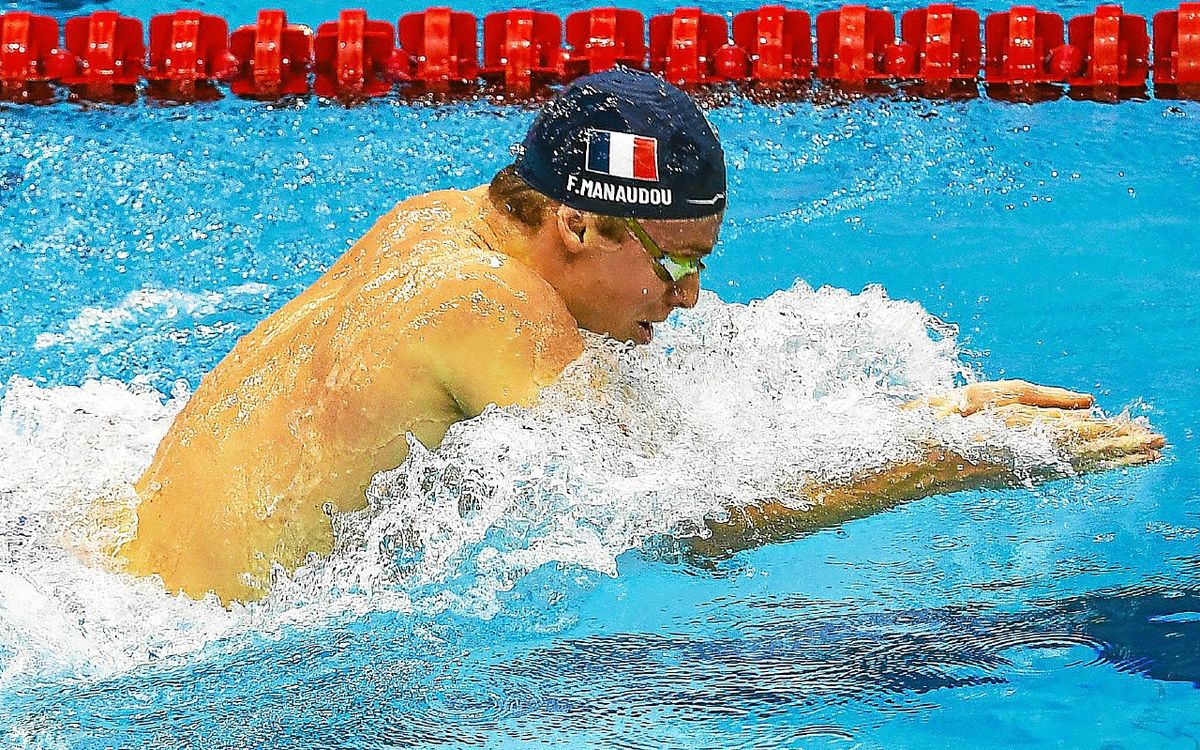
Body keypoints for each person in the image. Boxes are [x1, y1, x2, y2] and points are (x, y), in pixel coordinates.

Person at [116, 68, 1163, 604]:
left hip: (128, 570)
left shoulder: (437, 220)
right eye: (677, 263)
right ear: (577, 221)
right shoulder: (486, 307)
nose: (692, 298)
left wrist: (939, 406)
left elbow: (680, 454)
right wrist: (961, 459)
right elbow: (692, 522)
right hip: (198, 666)